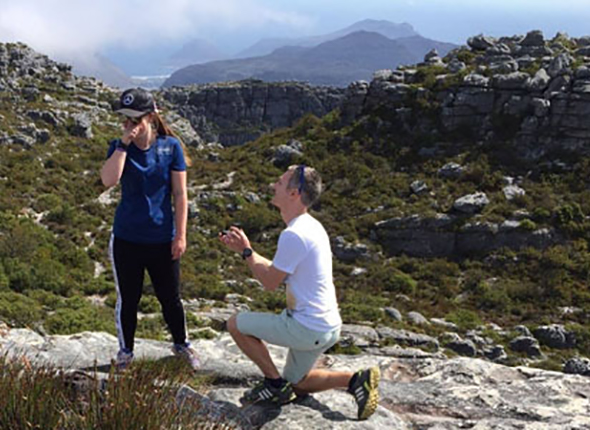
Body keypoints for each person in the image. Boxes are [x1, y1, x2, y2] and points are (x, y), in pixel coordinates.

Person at [219, 164, 380, 420]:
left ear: (294, 193)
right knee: (298, 383)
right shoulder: (311, 226)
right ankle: (355, 380)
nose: (274, 185)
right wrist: (245, 250)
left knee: (236, 324)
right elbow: (276, 269)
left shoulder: (293, 234)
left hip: (306, 327)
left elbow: (270, 281)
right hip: (327, 326)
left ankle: (273, 385)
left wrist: (247, 252)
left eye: (281, 182)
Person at [100, 88, 200, 371]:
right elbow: (109, 180)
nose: (130, 125)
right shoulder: (119, 147)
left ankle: (182, 345)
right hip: (127, 239)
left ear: (150, 117)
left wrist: (181, 235)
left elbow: (180, 195)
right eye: (125, 119)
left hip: (162, 239)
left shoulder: (171, 147)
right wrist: (122, 144)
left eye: (135, 119)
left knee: (170, 297)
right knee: (129, 299)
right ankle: (126, 352)